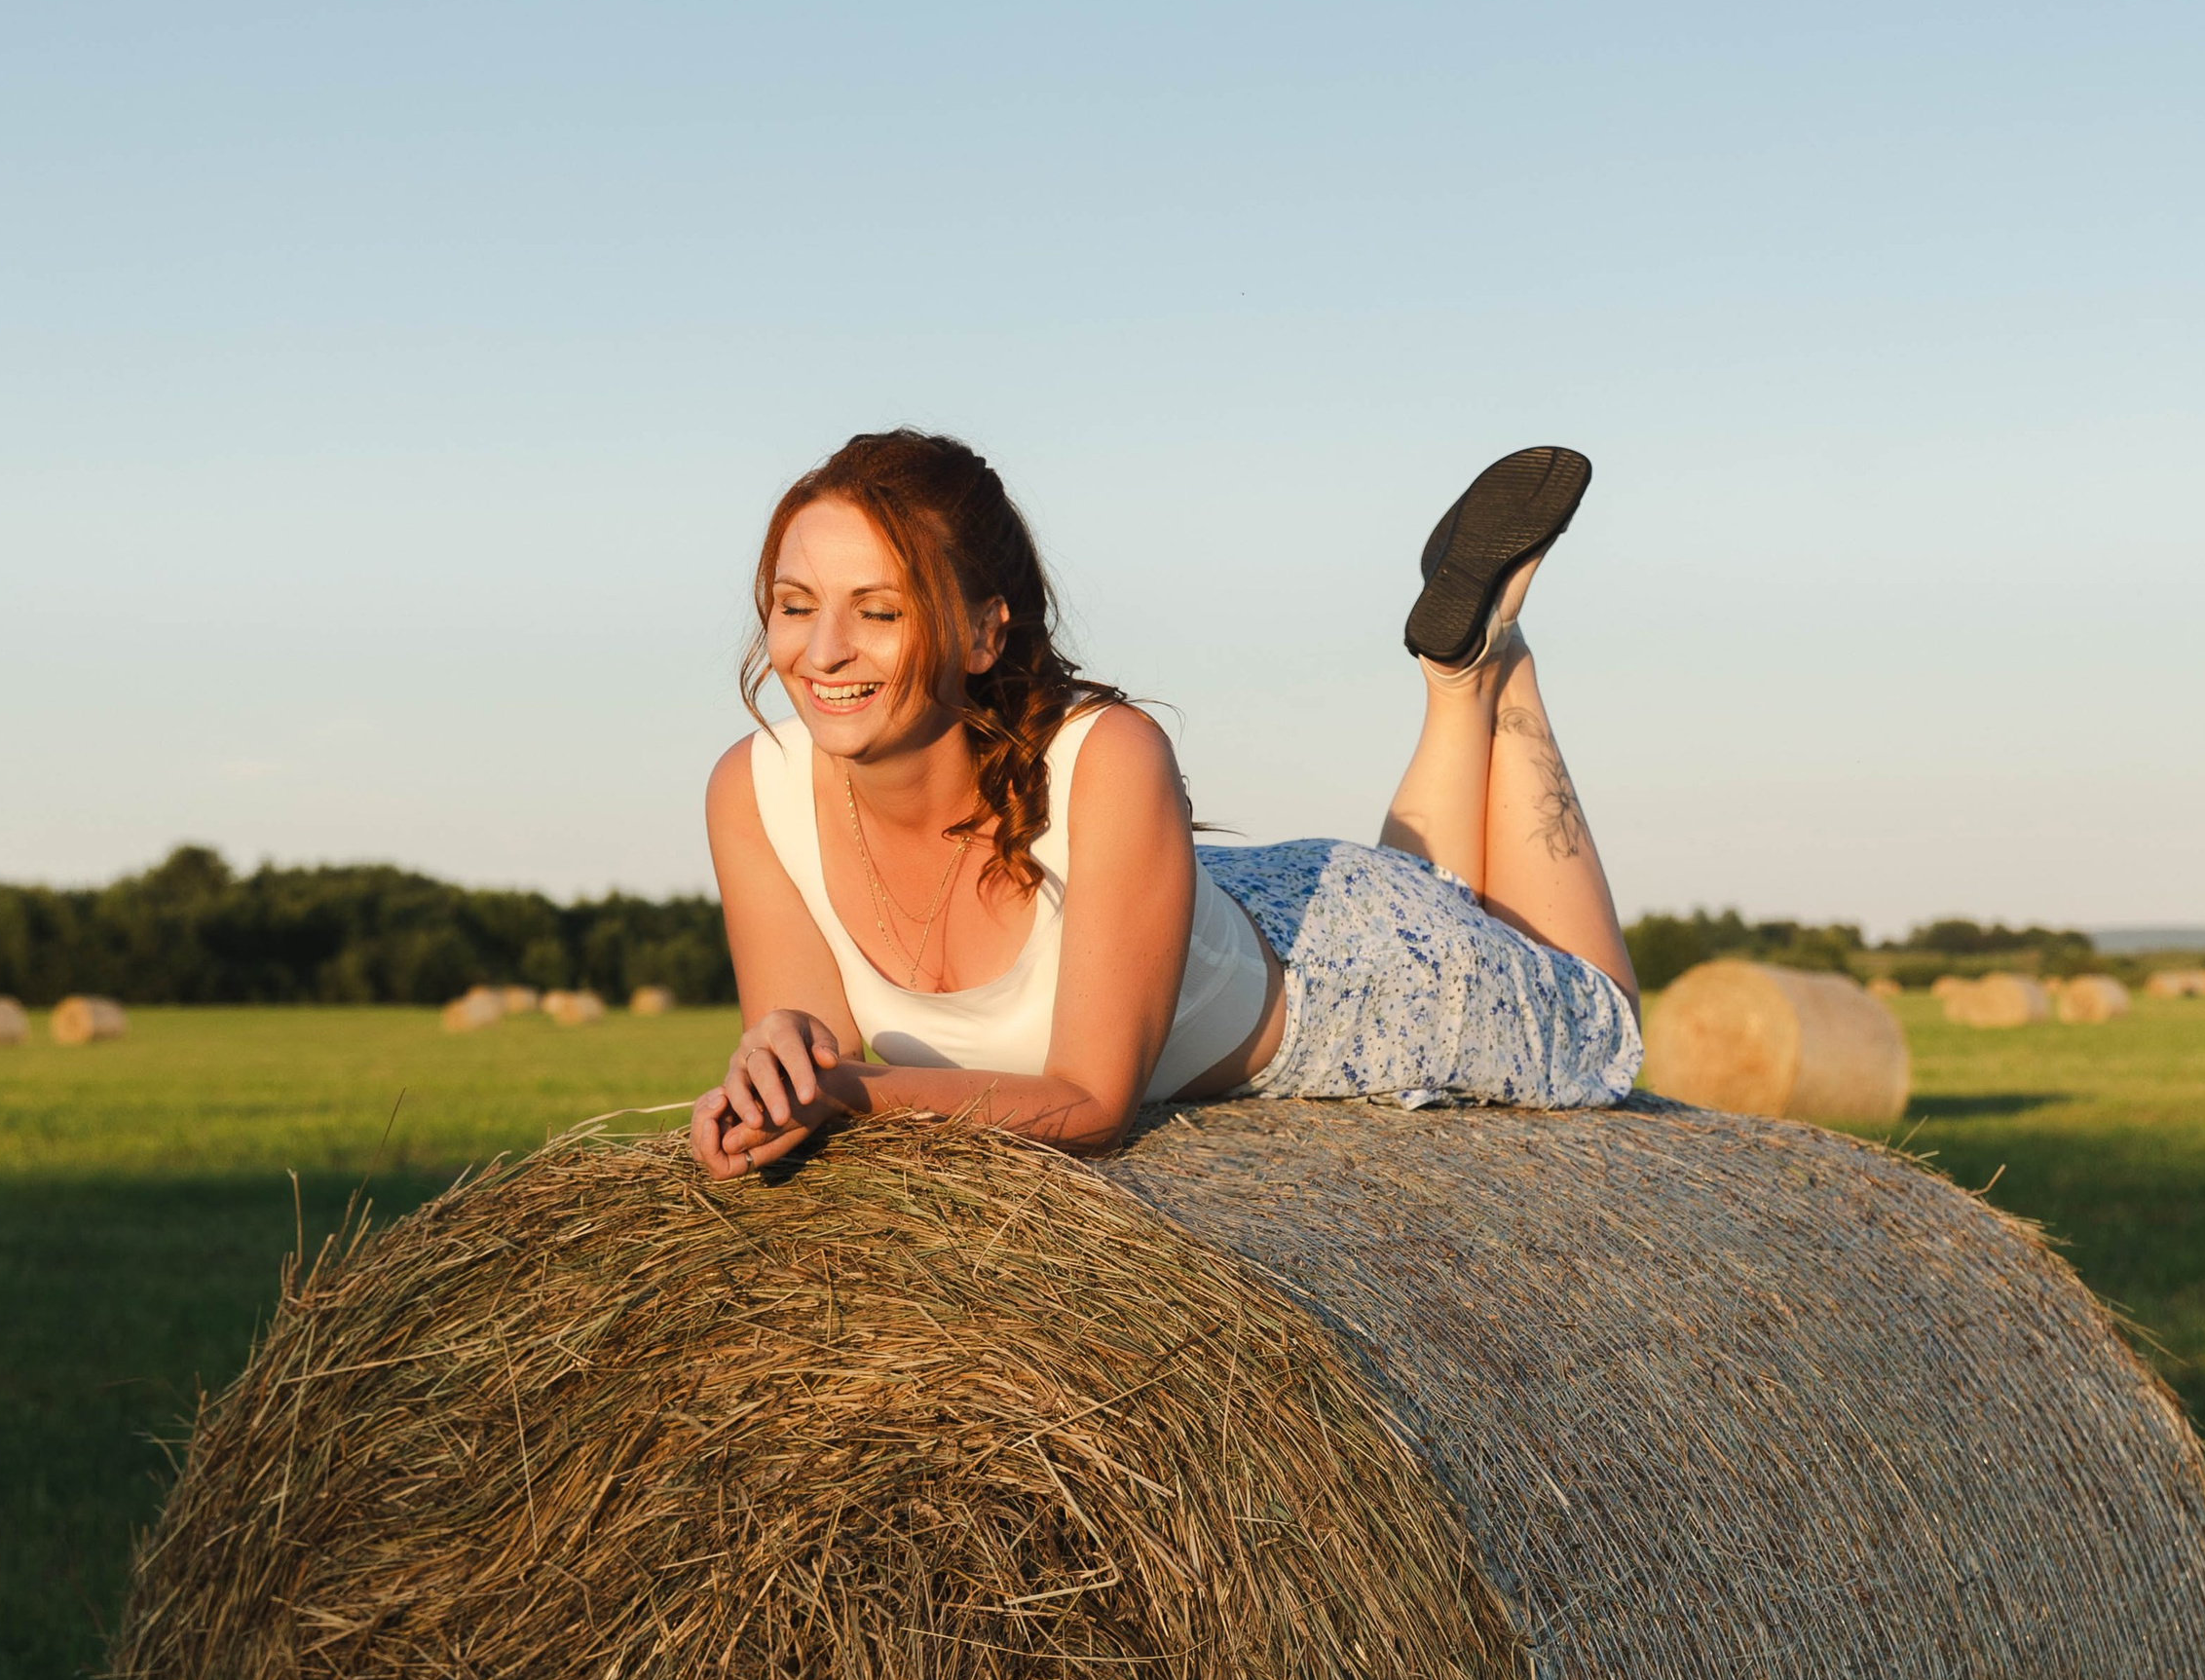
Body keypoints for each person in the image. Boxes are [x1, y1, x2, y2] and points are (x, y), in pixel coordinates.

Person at [691, 429, 1641, 1175]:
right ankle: (1457, 674)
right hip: (1214, 913)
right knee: (1435, 893)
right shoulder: (752, 792)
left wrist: (851, 1093)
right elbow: (811, 1067)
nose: (822, 651)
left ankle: (1500, 660)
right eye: (796, 604)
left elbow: (1091, 1104)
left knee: (1606, 1023)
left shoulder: (1109, 755)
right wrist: (774, 1075)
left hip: (1357, 979)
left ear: (983, 634)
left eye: (879, 610)